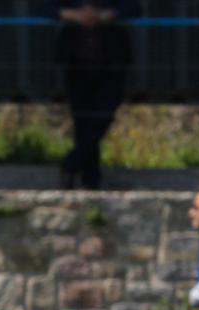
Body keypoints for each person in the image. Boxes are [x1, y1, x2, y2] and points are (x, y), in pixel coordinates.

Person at [52, 1, 137, 191]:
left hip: (111, 67)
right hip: (76, 67)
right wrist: (73, 15)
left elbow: (133, 8)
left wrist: (106, 15)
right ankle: (90, 179)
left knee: (102, 118)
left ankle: (71, 164)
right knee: (82, 122)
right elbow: (46, 8)